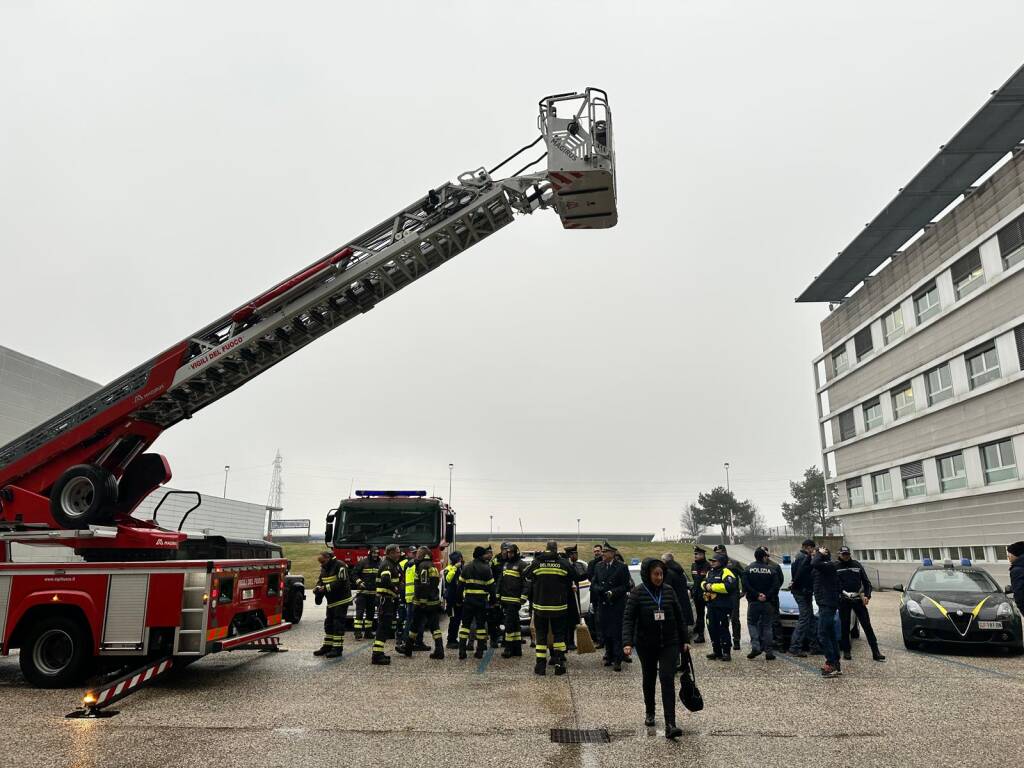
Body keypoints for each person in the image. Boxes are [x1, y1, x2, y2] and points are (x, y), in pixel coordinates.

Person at [622, 558, 690, 740]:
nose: (659, 577)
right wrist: (627, 642)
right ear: (648, 575)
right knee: (649, 678)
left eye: (661, 574)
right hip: (646, 644)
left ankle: (670, 723)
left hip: (669, 642)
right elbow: (628, 619)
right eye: (655, 574)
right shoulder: (637, 593)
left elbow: (679, 616)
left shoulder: (669, 591)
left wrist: (685, 639)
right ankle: (650, 711)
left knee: (667, 678)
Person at [522, 540, 574, 675]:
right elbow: (575, 576)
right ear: (556, 550)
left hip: (541, 607)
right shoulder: (563, 563)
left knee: (541, 636)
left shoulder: (537, 562)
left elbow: (525, 574)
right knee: (559, 636)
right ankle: (559, 664)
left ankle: (540, 666)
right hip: (559, 608)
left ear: (546, 549)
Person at [836, 547, 885, 662]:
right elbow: (832, 584)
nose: (846, 556)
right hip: (844, 600)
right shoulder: (835, 566)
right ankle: (847, 651)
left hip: (858, 599)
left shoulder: (857, 565)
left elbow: (867, 583)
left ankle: (875, 652)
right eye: (843, 554)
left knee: (867, 626)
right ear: (840, 554)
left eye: (847, 554)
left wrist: (867, 596)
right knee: (844, 626)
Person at [592, 541, 632, 671]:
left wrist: (613, 592)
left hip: (616, 605)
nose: (603, 554)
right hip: (603, 604)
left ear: (613, 554)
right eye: (602, 552)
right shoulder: (599, 566)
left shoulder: (621, 567)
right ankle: (608, 655)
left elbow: (626, 585)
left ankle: (618, 659)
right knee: (606, 631)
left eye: (605, 552)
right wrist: (600, 590)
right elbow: (594, 583)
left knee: (616, 633)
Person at [741, 547, 782, 661]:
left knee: (752, 623)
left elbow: (745, 585)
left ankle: (756, 646)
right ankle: (769, 652)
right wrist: (766, 596)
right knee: (767, 626)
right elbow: (776, 586)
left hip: (754, 602)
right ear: (764, 557)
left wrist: (756, 594)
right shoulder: (772, 570)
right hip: (768, 602)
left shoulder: (748, 569)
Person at [406, 546, 445, 659]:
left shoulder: (423, 566)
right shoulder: (432, 566)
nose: (416, 556)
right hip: (433, 602)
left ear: (422, 555)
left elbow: (423, 585)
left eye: (418, 554)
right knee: (435, 627)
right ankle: (439, 650)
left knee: (414, 626)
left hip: (423, 603)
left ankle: (408, 648)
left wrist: (422, 601)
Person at [458, 546, 495, 660]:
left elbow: (460, 586)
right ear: (481, 555)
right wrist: (493, 601)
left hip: (468, 601)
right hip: (481, 602)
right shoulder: (486, 568)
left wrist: (459, 601)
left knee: (465, 626)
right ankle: (479, 652)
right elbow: (491, 587)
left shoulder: (466, 567)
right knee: (480, 627)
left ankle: (462, 651)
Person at [313, 550, 352, 659]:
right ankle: (327, 646)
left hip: (341, 600)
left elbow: (341, 582)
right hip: (331, 601)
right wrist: (318, 587)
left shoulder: (340, 565)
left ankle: (337, 649)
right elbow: (321, 580)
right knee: (329, 623)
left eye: (323, 562)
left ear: (329, 558)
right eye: (320, 563)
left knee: (338, 624)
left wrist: (325, 588)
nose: (322, 564)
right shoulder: (325, 567)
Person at [701, 551, 738, 661]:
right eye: (711, 561)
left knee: (723, 629)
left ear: (721, 562)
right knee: (712, 628)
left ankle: (726, 652)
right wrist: (705, 586)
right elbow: (703, 583)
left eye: (714, 561)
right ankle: (716, 651)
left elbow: (729, 587)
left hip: (722, 606)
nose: (711, 562)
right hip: (711, 605)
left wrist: (711, 587)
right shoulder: (710, 572)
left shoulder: (726, 572)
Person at [372, 544, 405, 665]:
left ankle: (379, 653)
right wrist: (396, 589)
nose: (399, 554)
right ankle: (377, 655)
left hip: (389, 601)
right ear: (390, 553)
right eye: (397, 552)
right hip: (385, 600)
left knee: (385, 627)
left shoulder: (392, 564)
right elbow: (386, 580)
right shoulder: (387, 565)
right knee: (383, 627)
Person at [812, 546, 841, 677]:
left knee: (822, 633)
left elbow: (814, 562)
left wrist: (819, 553)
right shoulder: (823, 568)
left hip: (828, 604)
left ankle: (831, 662)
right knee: (830, 634)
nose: (814, 555)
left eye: (817, 553)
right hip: (825, 603)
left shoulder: (829, 565)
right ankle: (836, 663)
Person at [497, 542, 528, 658]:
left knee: (509, 624)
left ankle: (508, 649)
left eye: (511, 553)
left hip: (515, 600)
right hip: (505, 599)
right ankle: (517, 649)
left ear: (516, 553)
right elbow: (501, 580)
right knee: (515, 624)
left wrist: (523, 597)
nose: (509, 555)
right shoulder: (505, 565)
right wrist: (497, 594)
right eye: (508, 552)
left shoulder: (522, 565)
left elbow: (527, 583)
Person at [787, 539, 817, 657]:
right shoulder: (803, 557)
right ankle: (795, 647)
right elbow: (801, 574)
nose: (813, 551)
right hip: (802, 592)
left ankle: (814, 646)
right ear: (808, 547)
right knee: (805, 618)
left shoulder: (799, 556)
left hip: (803, 591)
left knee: (810, 618)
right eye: (812, 548)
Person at [714, 544, 744, 651]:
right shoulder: (715, 564)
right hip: (720, 595)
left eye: (720, 552)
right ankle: (724, 641)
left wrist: (743, 591)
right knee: (722, 619)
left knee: (734, 618)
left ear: (725, 552)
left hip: (733, 595)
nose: (718, 554)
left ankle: (736, 640)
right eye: (717, 553)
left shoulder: (734, 562)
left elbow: (743, 575)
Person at [350, 546, 380, 640]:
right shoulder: (363, 562)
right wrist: (359, 582)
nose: (375, 555)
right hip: (362, 593)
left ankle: (368, 632)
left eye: (377, 553)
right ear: (369, 553)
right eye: (373, 553)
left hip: (373, 594)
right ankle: (357, 633)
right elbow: (354, 574)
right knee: (359, 613)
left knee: (370, 614)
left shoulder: (380, 564)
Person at [662, 552, 695, 628]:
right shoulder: (679, 571)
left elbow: (666, 589)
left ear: (664, 561)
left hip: (673, 605)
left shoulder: (668, 573)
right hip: (682, 604)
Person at [564, 545, 587, 651]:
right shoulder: (565, 565)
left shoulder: (575, 565)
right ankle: (566, 642)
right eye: (575, 554)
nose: (576, 556)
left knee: (573, 620)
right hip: (566, 597)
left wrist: (588, 574)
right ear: (570, 555)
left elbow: (577, 578)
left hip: (574, 597)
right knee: (567, 621)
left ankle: (571, 641)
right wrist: (569, 586)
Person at [690, 547, 711, 644]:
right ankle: (700, 634)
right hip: (697, 594)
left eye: (697, 554)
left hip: (706, 593)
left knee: (709, 614)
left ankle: (710, 633)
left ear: (702, 555)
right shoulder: (693, 565)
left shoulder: (708, 566)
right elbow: (695, 580)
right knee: (699, 615)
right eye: (694, 554)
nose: (695, 556)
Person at [444, 551, 464, 649]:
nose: (461, 560)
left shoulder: (462, 568)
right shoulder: (449, 569)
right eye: (460, 558)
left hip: (460, 599)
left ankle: (454, 639)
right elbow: (448, 580)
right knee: (453, 620)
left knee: (458, 620)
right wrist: (455, 568)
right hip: (451, 600)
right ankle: (450, 640)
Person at [586, 544, 605, 647]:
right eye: (595, 551)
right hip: (595, 595)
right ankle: (599, 640)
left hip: (605, 595)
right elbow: (589, 577)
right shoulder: (592, 563)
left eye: (598, 551)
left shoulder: (605, 563)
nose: (597, 552)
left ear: (602, 551)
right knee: (597, 619)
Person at [1009, 542, 1024, 615]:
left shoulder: (1017, 570)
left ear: (1016, 554)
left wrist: (1021, 608)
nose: (1008, 556)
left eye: (1010, 553)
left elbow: (1019, 593)